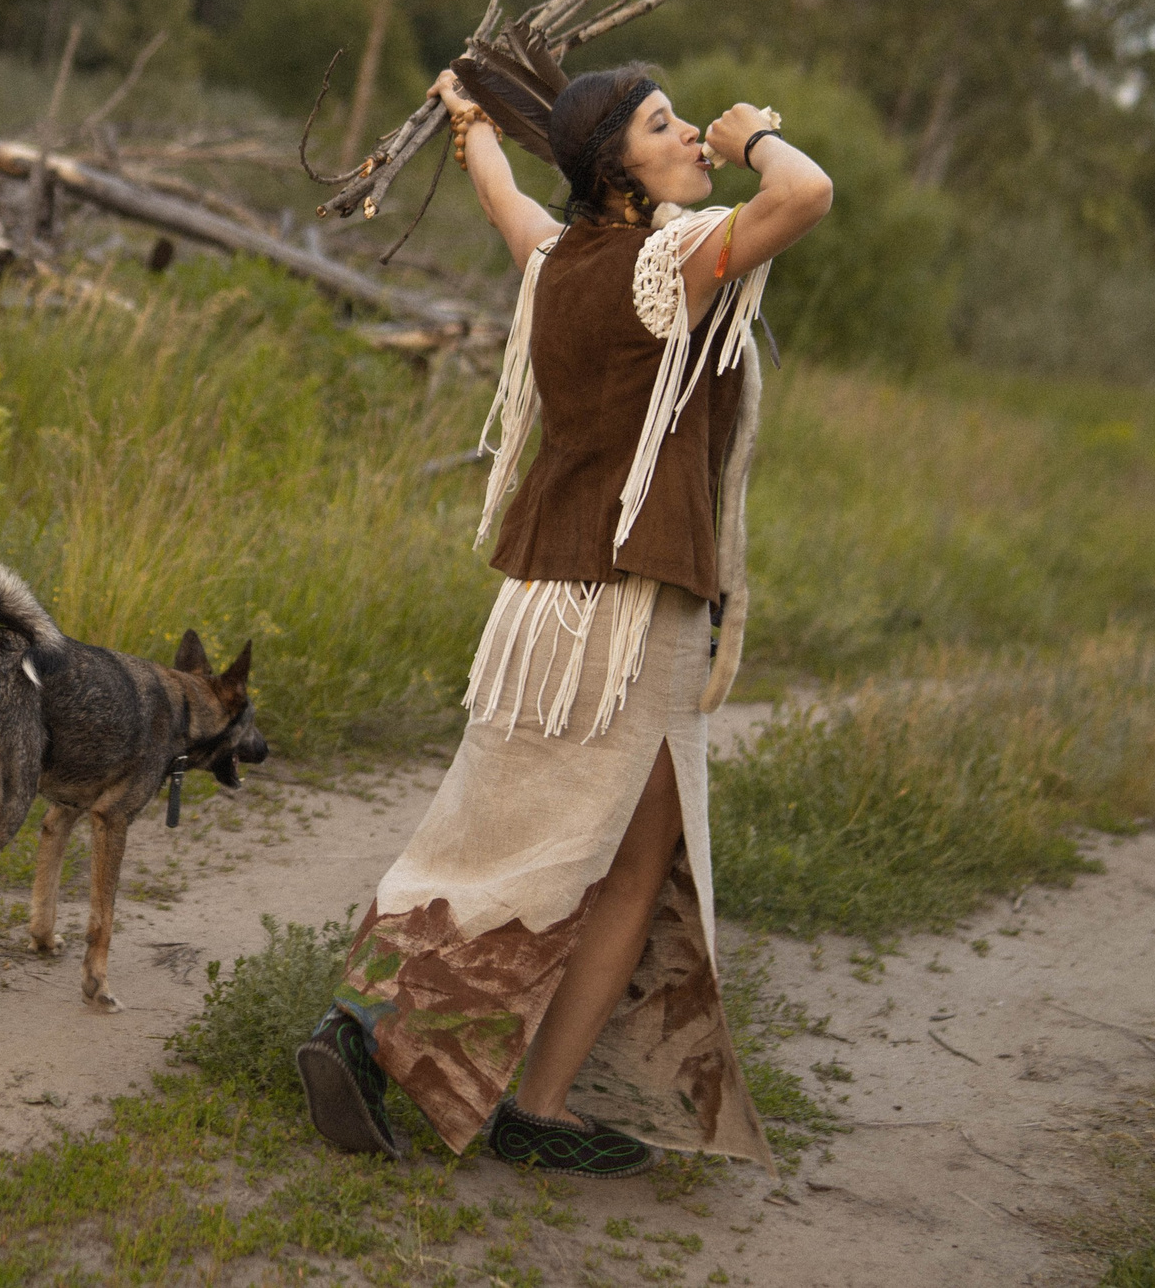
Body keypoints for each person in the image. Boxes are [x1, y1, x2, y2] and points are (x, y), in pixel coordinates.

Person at [295, 60, 833, 1176]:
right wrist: (754, 137)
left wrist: (470, 121)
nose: (689, 133)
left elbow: (507, 199)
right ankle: (394, 1041)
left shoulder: (556, 261)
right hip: (634, 612)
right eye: (663, 124)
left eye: (687, 122)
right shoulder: (668, 266)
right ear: (617, 169)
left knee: (548, 839)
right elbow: (807, 195)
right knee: (566, 856)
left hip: (540, 605)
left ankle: (505, 1090)